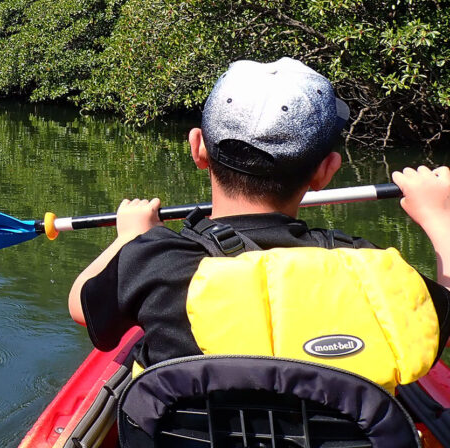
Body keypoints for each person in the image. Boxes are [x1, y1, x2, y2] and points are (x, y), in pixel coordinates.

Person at [68, 57, 450, 382]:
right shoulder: (377, 273)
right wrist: (438, 218)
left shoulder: (156, 262)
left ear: (198, 148)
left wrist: (130, 238)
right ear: (327, 171)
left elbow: (80, 307)